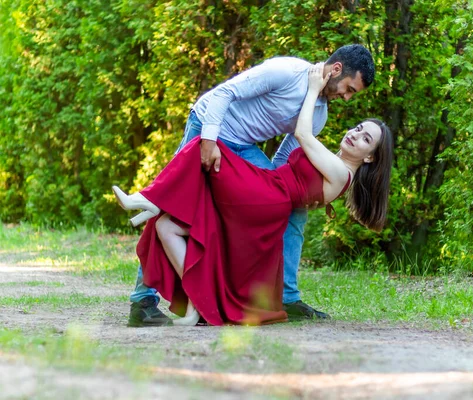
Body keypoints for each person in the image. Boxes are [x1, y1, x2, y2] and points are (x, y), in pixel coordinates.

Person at [113, 65, 393, 325]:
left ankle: (151, 198)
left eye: (365, 139)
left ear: (369, 158)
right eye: (348, 88)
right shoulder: (287, 72)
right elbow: (283, 156)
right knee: (171, 222)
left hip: (268, 190)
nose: (346, 97)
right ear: (335, 70)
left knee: (201, 157)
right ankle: (178, 296)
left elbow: (302, 136)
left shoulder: (330, 145)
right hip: (248, 162)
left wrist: (311, 91)